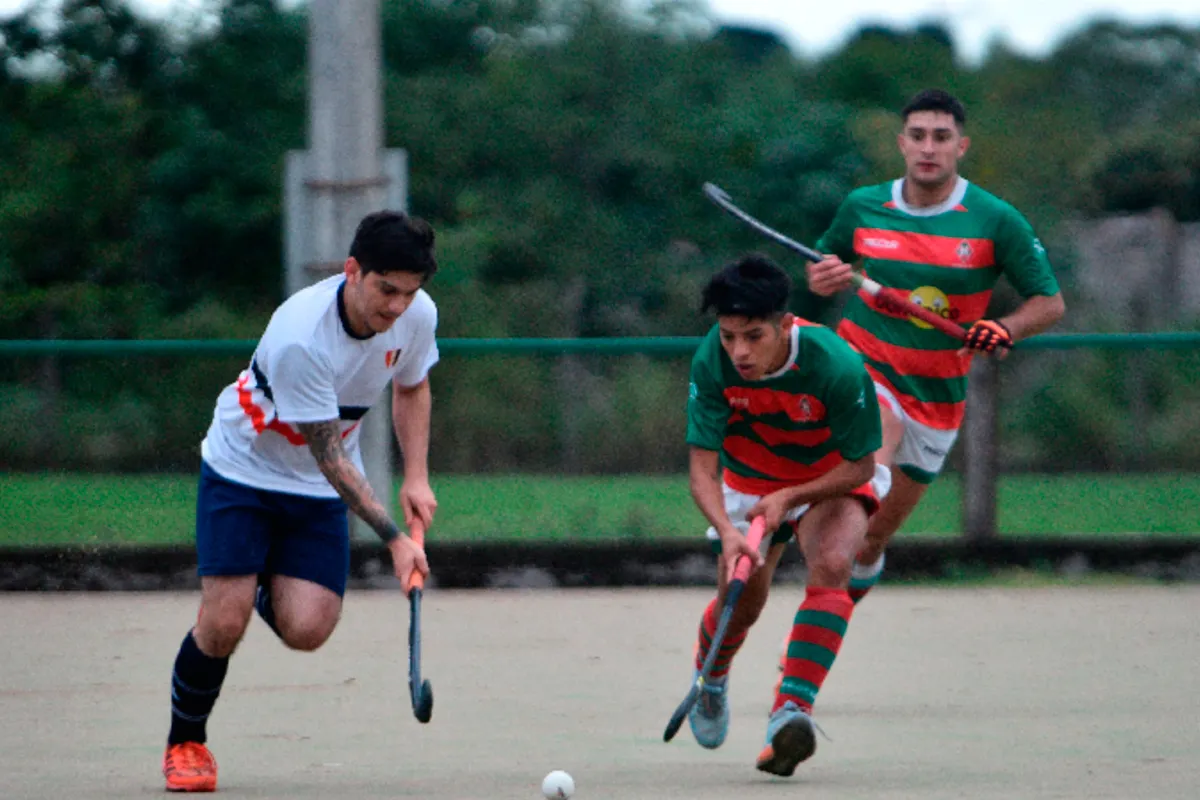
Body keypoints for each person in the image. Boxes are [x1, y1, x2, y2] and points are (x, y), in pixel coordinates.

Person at [161, 210, 440, 792]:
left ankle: (251, 580)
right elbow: (330, 455)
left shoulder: (416, 317)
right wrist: (393, 537)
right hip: (244, 470)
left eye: (408, 294)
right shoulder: (301, 337)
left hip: (314, 488)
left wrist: (416, 477)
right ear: (352, 271)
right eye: (386, 290)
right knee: (224, 622)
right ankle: (186, 740)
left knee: (308, 628)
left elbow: (412, 387)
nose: (396, 307)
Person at [803, 88, 1066, 605]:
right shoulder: (863, 205)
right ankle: (813, 544)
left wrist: (1006, 328)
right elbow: (821, 270)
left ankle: (838, 598)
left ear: (960, 146)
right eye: (918, 136)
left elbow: (1049, 303)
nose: (929, 147)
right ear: (902, 144)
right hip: (862, 366)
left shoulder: (995, 219)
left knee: (872, 539)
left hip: (937, 398)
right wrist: (825, 277)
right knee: (849, 517)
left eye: (941, 137)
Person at [683, 253, 890, 776]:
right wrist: (729, 531)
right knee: (742, 601)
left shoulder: (835, 364)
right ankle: (711, 676)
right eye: (729, 336)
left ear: (785, 323)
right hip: (747, 483)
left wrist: (791, 496)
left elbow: (861, 464)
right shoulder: (711, 361)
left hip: (827, 478)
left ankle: (790, 712)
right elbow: (702, 472)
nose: (739, 351)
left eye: (753, 335)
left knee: (835, 562)